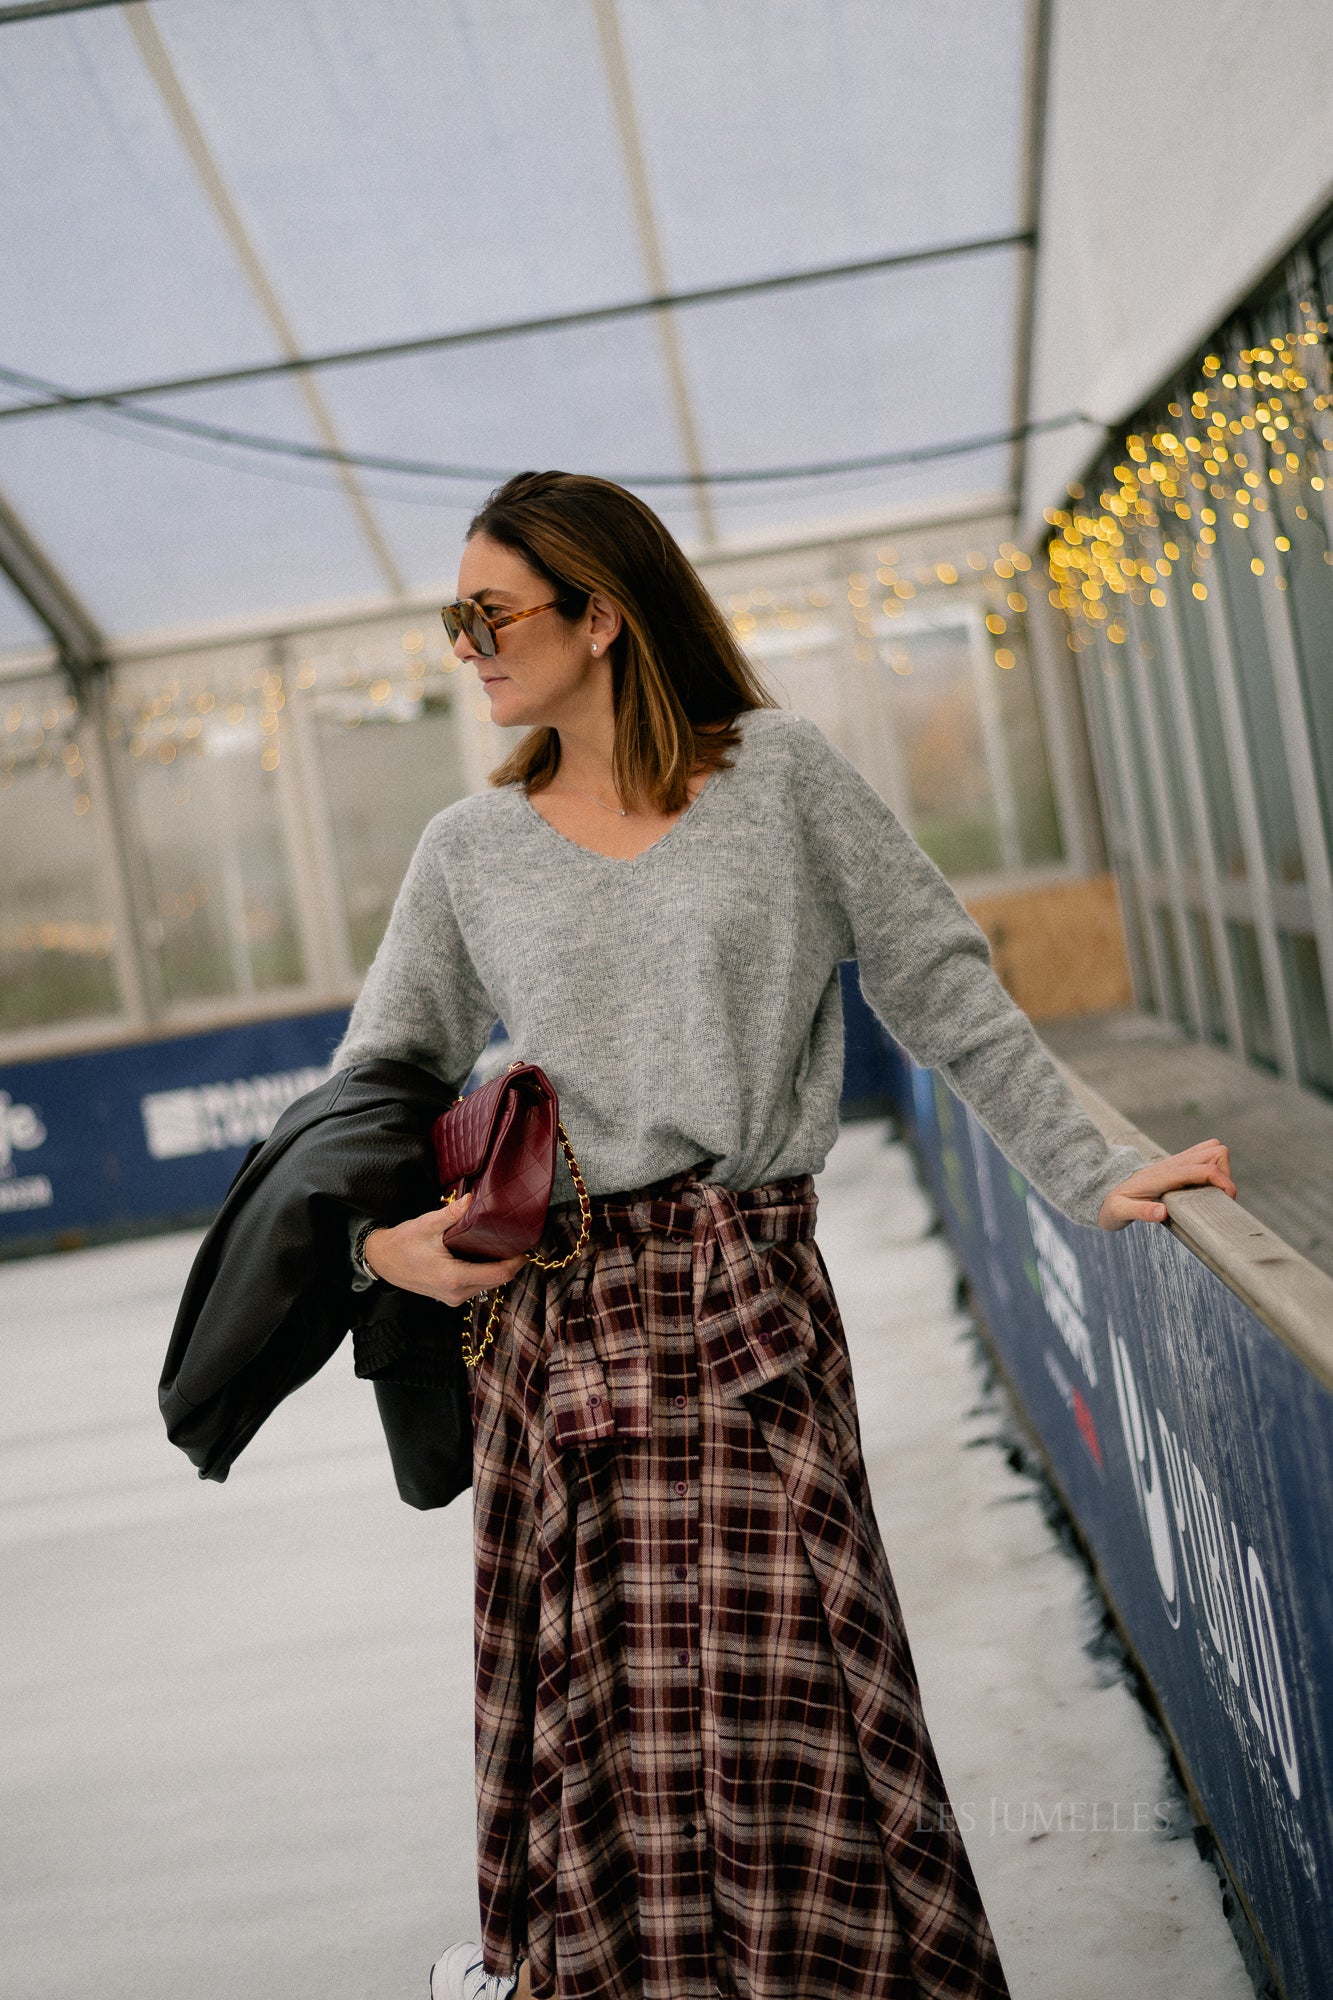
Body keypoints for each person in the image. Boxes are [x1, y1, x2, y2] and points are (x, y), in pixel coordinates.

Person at [330, 471, 1237, 2000]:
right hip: (559, 1363)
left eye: (490, 614)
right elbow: (365, 1096)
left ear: (602, 615)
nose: (465, 646)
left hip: (748, 1326)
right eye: (455, 618)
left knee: (804, 1717)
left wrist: (1093, 1168)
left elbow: (944, 991)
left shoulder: (784, 778)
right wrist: (379, 1250)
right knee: (603, 1752)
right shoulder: (465, 854)